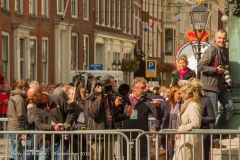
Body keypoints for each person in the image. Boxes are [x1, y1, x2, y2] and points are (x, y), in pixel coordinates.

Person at [197, 29, 234, 147]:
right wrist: (215, 70)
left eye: (224, 38)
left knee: (230, 107)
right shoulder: (211, 50)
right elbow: (200, 66)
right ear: (215, 38)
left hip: (221, 85)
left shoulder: (224, 52)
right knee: (212, 113)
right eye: (220, 38)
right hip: (210, 86)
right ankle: (213, 141)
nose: (222, 40)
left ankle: (216, 133)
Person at [86, 74, 132, 160]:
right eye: (112, 85)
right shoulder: (92, 97)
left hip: (109, 136)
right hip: (96, 137)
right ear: (104, 85)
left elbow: (114, 118)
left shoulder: (110, 98)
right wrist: (99, 99)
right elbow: (92, 114)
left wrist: (125, 115)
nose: (113, 87)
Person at [27, 85, 75, 160]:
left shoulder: (57, 99)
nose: (30, 101)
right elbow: (39, 124)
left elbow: (71, 112)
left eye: (32, 99)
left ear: (39, 95)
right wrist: (53, 127)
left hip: (60, 140)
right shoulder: (35, 107)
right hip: (45, 141)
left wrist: (67, 124)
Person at [122, 77, 162, 160]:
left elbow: (158, 116)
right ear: (134, 88)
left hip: (141, 138)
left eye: (145, 88)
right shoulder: (124, 100)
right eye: (142, 88)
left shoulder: (147, 100)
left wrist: (157, 107)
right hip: (127, 137)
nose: (144, 90)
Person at [188, 77, 216, 160]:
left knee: (204, 156)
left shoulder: (205, 100)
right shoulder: (187, 100)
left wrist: (198, 119)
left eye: (196, 87)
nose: (195, 90)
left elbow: (212, 118)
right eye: (193, 88)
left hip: (203, 132)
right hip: (190, 132)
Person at [173, 84, 202, 160]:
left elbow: (196, 123)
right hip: (184, 139)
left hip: (190, 140)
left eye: (182, 93)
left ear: (187, 94)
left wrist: (184, 128)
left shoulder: (193, 106)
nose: (181, 95)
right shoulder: (186, 105)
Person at [155, 85, 182, 159]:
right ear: (173, 93)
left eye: (181, 93)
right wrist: (157, 132)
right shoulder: (165, 104)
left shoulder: (182, 105)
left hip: (179, 134)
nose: (181, 96)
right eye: (179, 93)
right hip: (166, 134)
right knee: (168, 155)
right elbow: (159, 118)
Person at [7, 80, 30, 160]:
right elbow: (21, 116)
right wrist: (23, 131)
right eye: (28, 89)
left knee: (14, 150)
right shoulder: (19, 99)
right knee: (18, 152)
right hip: (17, 128)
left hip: (11, 127)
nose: (28, 91)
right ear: (24, 88)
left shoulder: (12, 97)